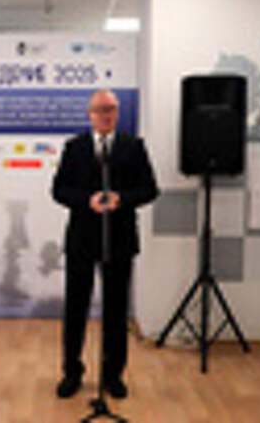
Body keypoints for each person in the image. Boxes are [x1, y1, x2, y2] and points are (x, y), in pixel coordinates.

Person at [52, 90, 159, 399]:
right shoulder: (74, 147)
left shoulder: (133, 146)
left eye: (111, 109)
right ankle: (72, 372)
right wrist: (87, 200)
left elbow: (149, 189)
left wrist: (121, 199)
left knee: (116, 312)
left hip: (120, 240)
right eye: (99, 109)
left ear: (117, 113)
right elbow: (59, 190)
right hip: (81, 240)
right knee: (76, 310)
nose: (106, 115)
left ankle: (113, 376)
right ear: (89, 114)